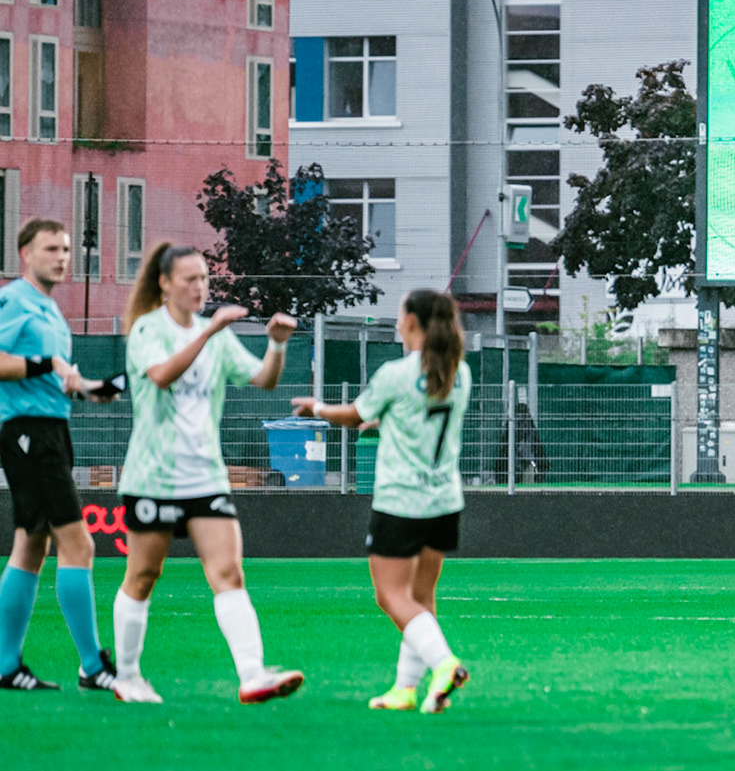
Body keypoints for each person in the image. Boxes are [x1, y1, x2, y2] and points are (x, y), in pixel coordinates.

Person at [108, 244, 303, 705]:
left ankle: (253, 675)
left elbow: (263, 380)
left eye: (204, 279)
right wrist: (210, 329)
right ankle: (128, 677)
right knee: (142, 574)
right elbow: (161, 376)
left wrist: (276, 343)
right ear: (164, 283)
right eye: (190, 279)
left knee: (228, 572)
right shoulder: (148, 330)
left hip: (205, 476)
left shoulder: (211, 332)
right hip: (153, 475)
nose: (200, 288)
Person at [292, 290, 472, 714]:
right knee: (420, 598)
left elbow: (353, 415)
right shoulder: (460, 372)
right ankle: (405, 689)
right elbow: (417, 412)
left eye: (400, 316)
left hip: (401, 501)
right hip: (444, 499)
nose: (396, 324)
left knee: (390, 595)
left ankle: (445, 664)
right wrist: (383, 418)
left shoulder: (395, 373)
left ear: (414, 323)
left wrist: (316, 407)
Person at [0, 219, 120, 692]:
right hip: (28, 433)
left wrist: (86, 389)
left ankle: (7, 666)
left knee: (31, 546)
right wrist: (45, 364)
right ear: (25, 253)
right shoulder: (14, 300)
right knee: (80, 544)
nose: (63, 256)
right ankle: (92, 666)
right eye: (52, 248)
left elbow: (50, 378)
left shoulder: (50, 310)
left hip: (51, 429)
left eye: (67, 248)